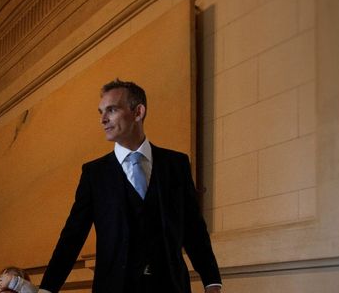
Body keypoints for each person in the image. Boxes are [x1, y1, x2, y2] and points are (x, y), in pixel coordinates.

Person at [39, 80, 222, 293]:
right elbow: (73, 235)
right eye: (101, 112)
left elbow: (193, 227)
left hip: (171, 286)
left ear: (138, 112)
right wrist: (48, 288)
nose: (103, 119)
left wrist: (211, 281)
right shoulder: (94, 174)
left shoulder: (176, 164)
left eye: (112, 110)